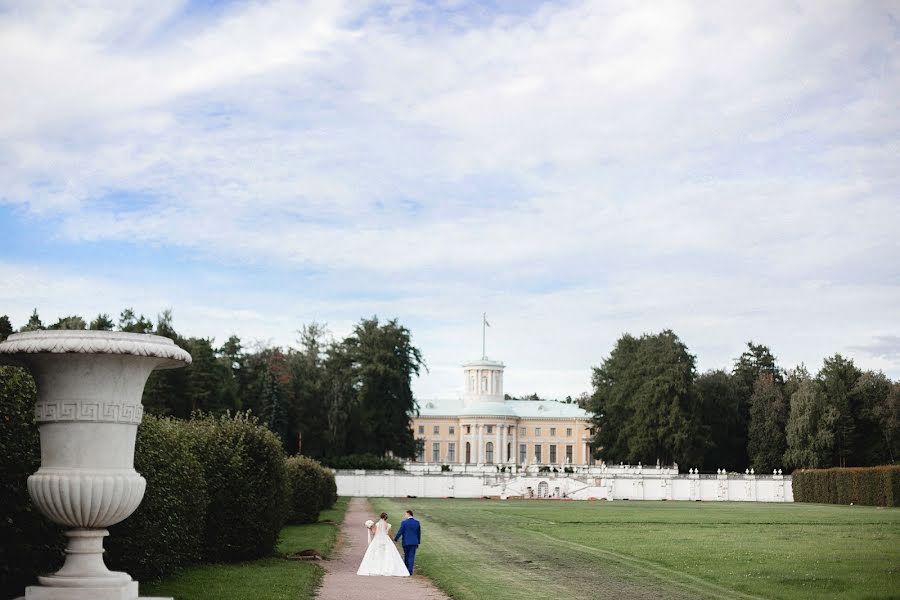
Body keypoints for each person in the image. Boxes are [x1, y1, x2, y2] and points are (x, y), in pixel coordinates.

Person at [356, 512, 409, 577]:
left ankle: (376, 568)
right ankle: (387, 568)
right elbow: (389, 534)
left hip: (377, 540)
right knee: (388, 554)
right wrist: (393, 540)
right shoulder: (389, 525)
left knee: (377, 553)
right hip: (386, 540)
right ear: (386, 518)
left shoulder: (377, 524)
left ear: (380, 517)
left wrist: (370, 528)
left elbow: (374, 533)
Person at [393, 509, 421, 575]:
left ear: (408, 514)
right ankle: (410, 571)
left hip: (406, 541)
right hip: (414, 542)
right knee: (412, 556)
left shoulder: (404, 522)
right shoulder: (417, 522)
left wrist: (395, 539)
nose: (405, 515)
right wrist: (418, 542)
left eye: (405, 514)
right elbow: (418, 533)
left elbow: (400, 531)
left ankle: (406, 569)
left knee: (406, 555)